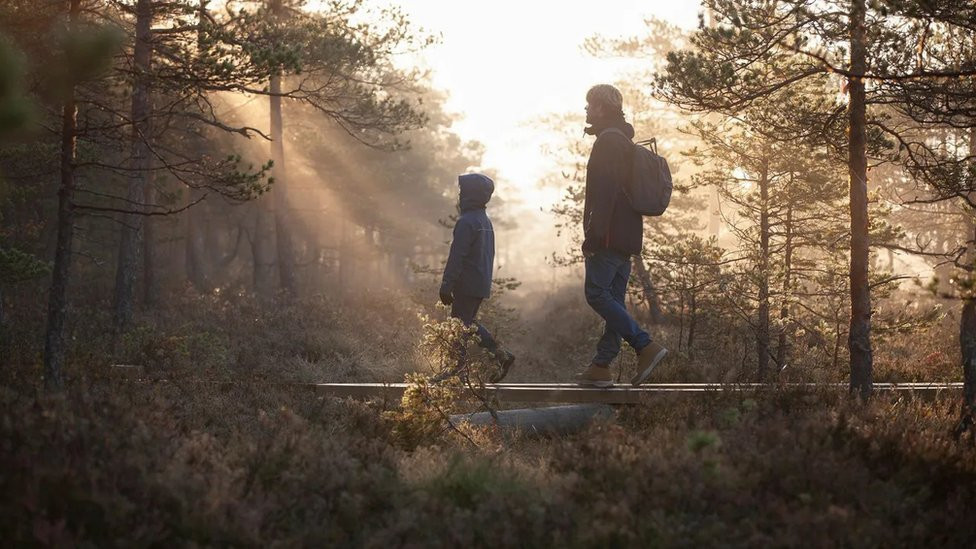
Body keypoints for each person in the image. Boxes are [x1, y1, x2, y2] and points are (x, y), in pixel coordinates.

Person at [576, 84, 667, 388]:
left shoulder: (609, 142)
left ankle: (644, 345)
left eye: (590, 105)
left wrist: (594, 234)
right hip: (627, 237)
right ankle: (601, 366)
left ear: (601, 107)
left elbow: (606, 192)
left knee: (596, 294)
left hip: (609, 236)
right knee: (613, 299)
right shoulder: (620, 141)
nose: (586, 110)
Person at [437, 173, 515, 382]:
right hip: (479, 283)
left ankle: (460, 370)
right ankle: (493, 358)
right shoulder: (484, 221)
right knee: (465, 323)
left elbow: (457, 255)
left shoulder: (467, 221)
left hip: (467, 283)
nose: (460, 194)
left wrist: (446, 285)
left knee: (459, 324)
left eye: (463, 191)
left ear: (470, 194)